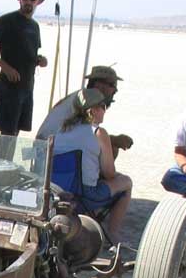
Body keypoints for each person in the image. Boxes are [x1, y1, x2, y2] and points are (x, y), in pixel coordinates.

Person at [53, 89, 133, 246]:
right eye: (104, 106)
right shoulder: (98, 133)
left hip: (60, 192)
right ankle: (113, 234)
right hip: (85, 195)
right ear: (94, 110)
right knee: (126, 182)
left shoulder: (61, 130)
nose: (105, 110)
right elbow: (109, 173)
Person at [0, 0, 49, 136]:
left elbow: (30, 54)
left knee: (15, 134)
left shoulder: (34, 26)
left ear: (38, 1)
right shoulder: (7, 20)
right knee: (7, 135)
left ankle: (6, 161)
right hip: (9, 87)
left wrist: (40, 60)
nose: (28, 2)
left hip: (27, 87)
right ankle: (1, 160)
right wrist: (5, 67)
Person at [37, 65, 134, 157]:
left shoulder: (80, 97)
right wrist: (114, 140)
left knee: (110, 147)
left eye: (112, 85)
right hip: (49, 152)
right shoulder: (86, 100)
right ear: (96, 84)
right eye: (110, 85)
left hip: (47, 149)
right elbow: (83, 136)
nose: (112, 89)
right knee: (111, 148)